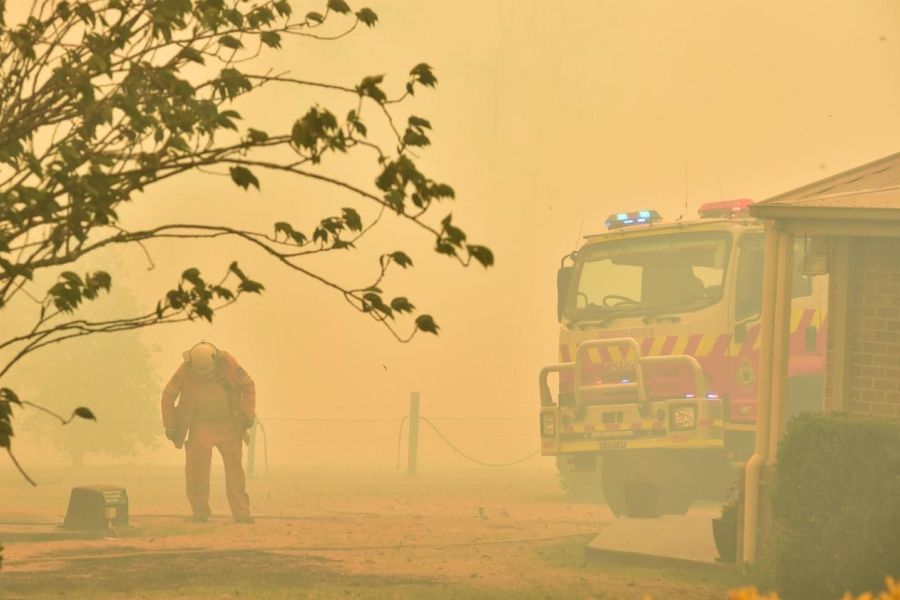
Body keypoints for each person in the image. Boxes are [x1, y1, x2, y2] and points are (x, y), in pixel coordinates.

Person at [161, 341, 256, 523]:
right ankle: (200, 511)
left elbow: (248, 385)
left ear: (215, 360)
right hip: (200, 424)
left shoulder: (228, 363)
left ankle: (242, 512)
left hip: (229, 422)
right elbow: (168, 395)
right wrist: (170, 424)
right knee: (197, 469)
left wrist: (248, 413)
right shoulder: (186, 369)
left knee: (235, 469)